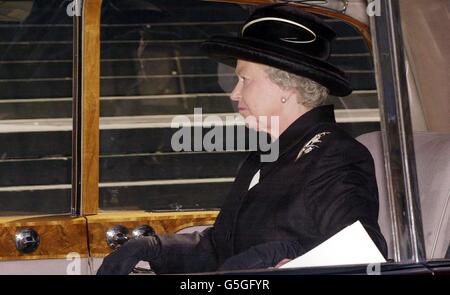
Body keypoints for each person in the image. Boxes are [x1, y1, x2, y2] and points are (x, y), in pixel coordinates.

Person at [97, 3, 387, 275]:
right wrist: (156, 249)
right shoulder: (266, 156)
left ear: (285, 84)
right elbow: (220, 248)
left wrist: (286, 257)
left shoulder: (334, 155)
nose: (234, 93)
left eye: (244, 79)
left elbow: (362, 255)